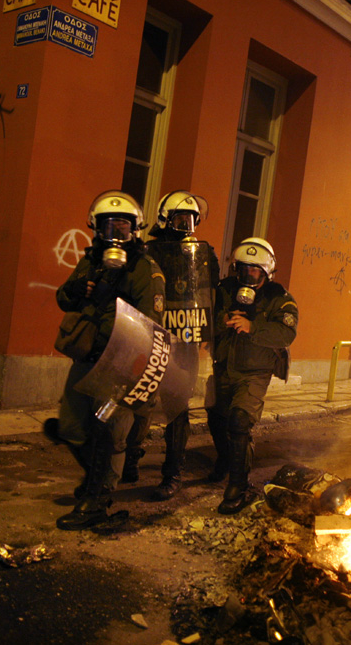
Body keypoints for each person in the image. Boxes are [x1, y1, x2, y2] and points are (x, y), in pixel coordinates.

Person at [49, 190, 165, 531]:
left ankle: (98, 499)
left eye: (123, 227)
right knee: (72, 427)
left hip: (119, 362)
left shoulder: (145, 269)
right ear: (96, 228)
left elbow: (150, 324)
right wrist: (81, 290)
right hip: (87, 358)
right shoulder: (91, 260)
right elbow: (63, 297)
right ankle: (95, 479)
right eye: (109, 226)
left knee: (107, 432)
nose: (116, 234)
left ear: (136, 230)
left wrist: (116, 302)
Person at [121, 190, 220, 501]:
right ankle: (129, 458)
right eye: (179, 219)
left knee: (178, 409)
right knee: (139, 400)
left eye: (190, 220)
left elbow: (210, 293)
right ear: (165, 218)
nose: (186, 225)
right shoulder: (147, 252)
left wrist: (209, 327)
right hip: (151, 336)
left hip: (184, 340)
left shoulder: (204, 254)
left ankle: (172, 472)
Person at [208, 237, 297, 515]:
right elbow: (207, 314)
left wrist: (252, 326)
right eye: (244, 269)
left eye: (255, 271)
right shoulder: (225, 289)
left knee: (239, 421)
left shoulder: (279, 298)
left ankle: (239, 486)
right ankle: (225, 460)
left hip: (255, 372)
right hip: (224, 366)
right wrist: (222, 321)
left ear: (267, 273)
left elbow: (286, 333)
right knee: (216, 417)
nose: (249, 276)